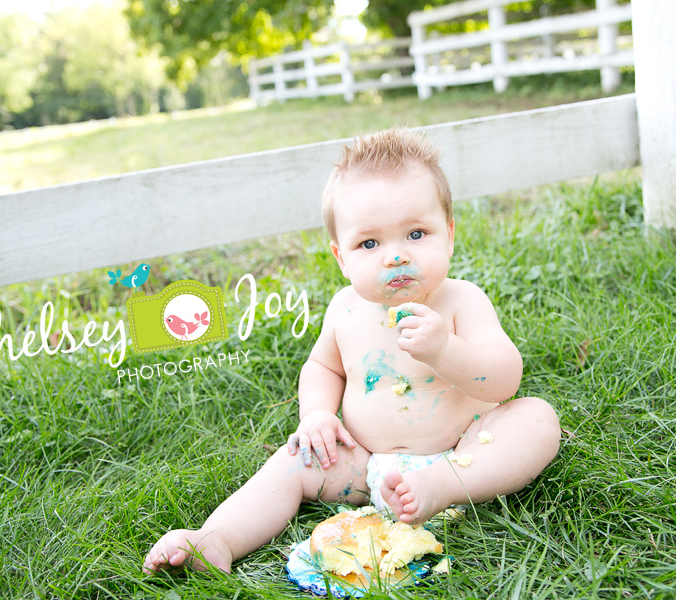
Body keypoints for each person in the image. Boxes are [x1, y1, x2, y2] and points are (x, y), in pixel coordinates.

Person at [142, 127, 561, 574]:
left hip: (468, 450)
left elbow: (504, 378)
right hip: (366, 469)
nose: (395, 256)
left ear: (450, 234)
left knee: (535, 418)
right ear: (341, 258)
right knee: (294, 460)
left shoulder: (462, 301)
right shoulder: (345, 309)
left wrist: (445, 350)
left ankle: (444, 487)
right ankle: (218, 538)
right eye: (370, 243)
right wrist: (317, 415)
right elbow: (323, 366)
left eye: (416, 234)